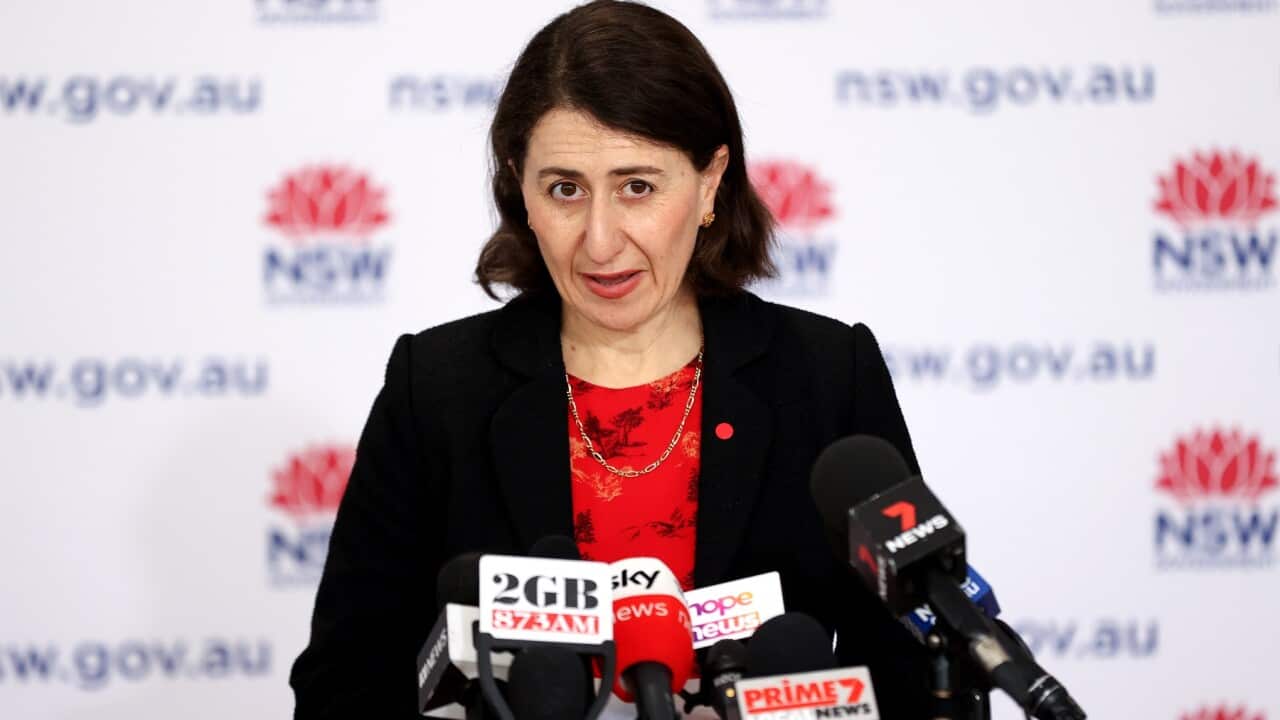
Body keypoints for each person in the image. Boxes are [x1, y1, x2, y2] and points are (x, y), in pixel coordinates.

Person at [289, 1, 930, 717]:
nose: (599, 241)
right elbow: (341, 685)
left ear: (710, 181)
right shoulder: (438, 388)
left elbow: (917, 666)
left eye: (638, 187)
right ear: (520, 189)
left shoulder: (825, 374)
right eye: (565, 189)